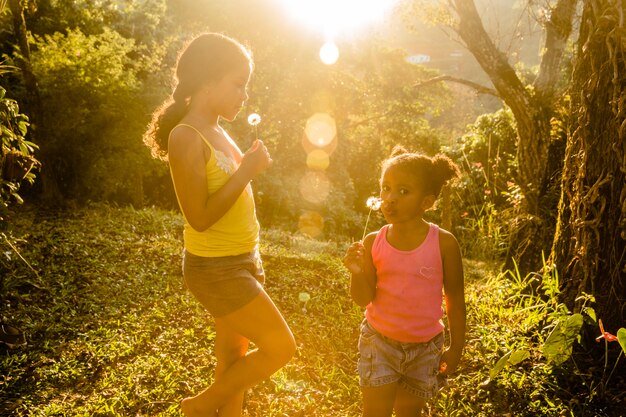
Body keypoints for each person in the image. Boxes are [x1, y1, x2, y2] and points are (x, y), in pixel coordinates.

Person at [143, 33, 296, 417]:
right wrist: (246, 169)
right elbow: (200, 216)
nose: (244, 95)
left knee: (233, 357)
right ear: (208, 83)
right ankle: (200, 407)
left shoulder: (219, 129)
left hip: (244, 258)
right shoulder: (186, 136)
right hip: (216, 268)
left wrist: (245, 165)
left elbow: (230, 189)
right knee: (281, 347)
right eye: (238, 84)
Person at [343, 146, 466, 417]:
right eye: (385, 188)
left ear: (427, 202)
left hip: (425, 348)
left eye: (403, 191)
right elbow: (363, 298)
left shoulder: (444, 243)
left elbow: (455, 299)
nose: (390, 198)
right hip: (379, 342)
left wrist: (455, 348)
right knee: (375, 412)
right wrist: (356, 271)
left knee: (410, 413)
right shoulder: (373, 241)